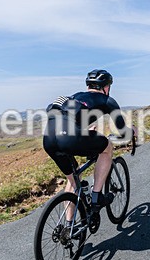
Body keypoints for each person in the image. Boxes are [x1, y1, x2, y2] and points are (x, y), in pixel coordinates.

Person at [43, 69, 136, 230]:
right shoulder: (107, 100)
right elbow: (121, 130)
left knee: (73, 180)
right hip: (70, 137)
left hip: (49, 138)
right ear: (106, 87)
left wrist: (82, 131)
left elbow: (65, 115)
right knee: (107, 147)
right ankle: (96, 196)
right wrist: (132, 131)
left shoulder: (75, 97)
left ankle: (69, 226)